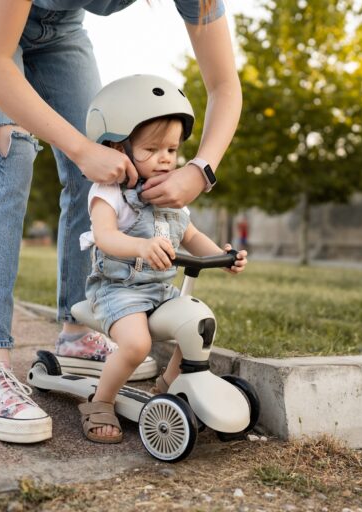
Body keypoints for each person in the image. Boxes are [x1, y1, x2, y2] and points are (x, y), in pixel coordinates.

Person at [0, 0, 242, 443]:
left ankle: (77, 335)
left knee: (102, 172)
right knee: (8, 154)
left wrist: (201, 169)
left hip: (61, 27)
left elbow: (224, 84)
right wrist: (80, 150)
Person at [76, 75, 248, 443]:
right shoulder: (110, 193)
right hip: (116, 291)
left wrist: (223, 256)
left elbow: (192, 235)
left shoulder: (172, 197)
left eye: (171, 149)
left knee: (198, 323)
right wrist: (139, 247)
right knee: (137, 345)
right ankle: (100, 402)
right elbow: (104, 236)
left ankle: (166, 388)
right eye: (151, 149)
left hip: (158, 291)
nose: (165, 159)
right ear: (119, 148)